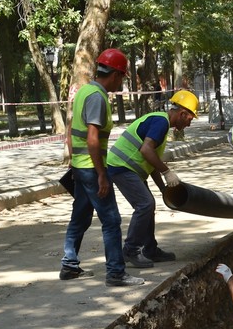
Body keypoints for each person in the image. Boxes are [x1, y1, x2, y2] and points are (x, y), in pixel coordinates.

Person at [60, 48, 144, 287]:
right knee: (111, 220)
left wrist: (75, 163)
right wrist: (101, 175)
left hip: (80, 166)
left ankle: (69, 265)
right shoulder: (97, 97)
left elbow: (70, 132)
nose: (121, 83)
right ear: (115, 74)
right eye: (122, 78)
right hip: (90, 168)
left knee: (80, 217)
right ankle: (116, 272)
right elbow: (93, 138)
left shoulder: (84, 91)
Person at [107, 89, 196, 268]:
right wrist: (167, 172)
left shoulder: (161, 124)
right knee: (145, 204)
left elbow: (151, 161)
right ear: (182, 113)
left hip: (129, 168)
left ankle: (150, 249)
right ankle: (131, 250)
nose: (189, 124)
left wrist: (163, 188)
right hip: (122, 166)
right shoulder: (160, 122)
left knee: (148, 205)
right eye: (189, 119)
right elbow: (146, 151)